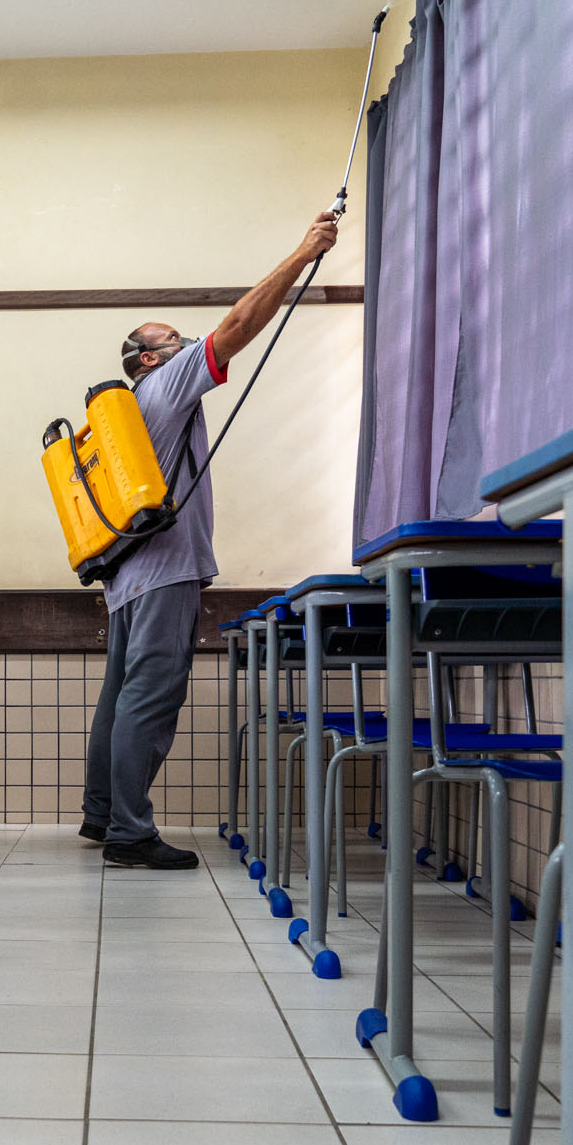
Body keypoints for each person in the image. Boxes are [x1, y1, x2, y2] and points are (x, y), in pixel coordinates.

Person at [81, 210, 340, 869]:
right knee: (151, 696)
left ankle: (102, 813)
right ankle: (130, 833)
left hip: (127, 577)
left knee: (119, 695)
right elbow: (238, 325)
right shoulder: (164, 386)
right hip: (165, 571)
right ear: (148, 358)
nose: (190, 341)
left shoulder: (129, 415)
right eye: (174, 339)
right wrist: (301, 254)